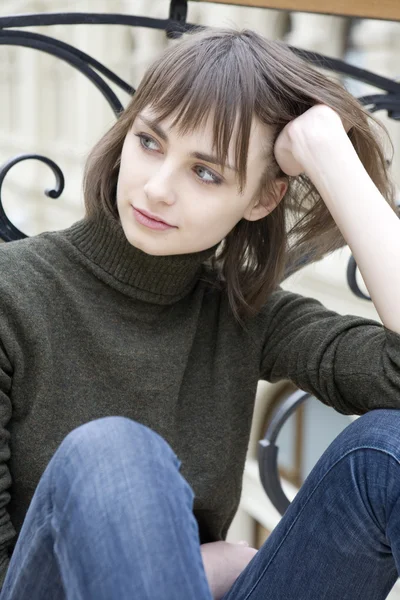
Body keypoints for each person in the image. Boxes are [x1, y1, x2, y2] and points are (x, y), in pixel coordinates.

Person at [0, 24, 399, 600]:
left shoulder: (245, 316)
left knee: (390, 447)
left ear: (263, 198)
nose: (158, 188)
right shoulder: (13, 295)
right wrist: (201, 567)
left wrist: (330, 156)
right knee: (114, 451)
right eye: (150, 142)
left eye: (206, 172)